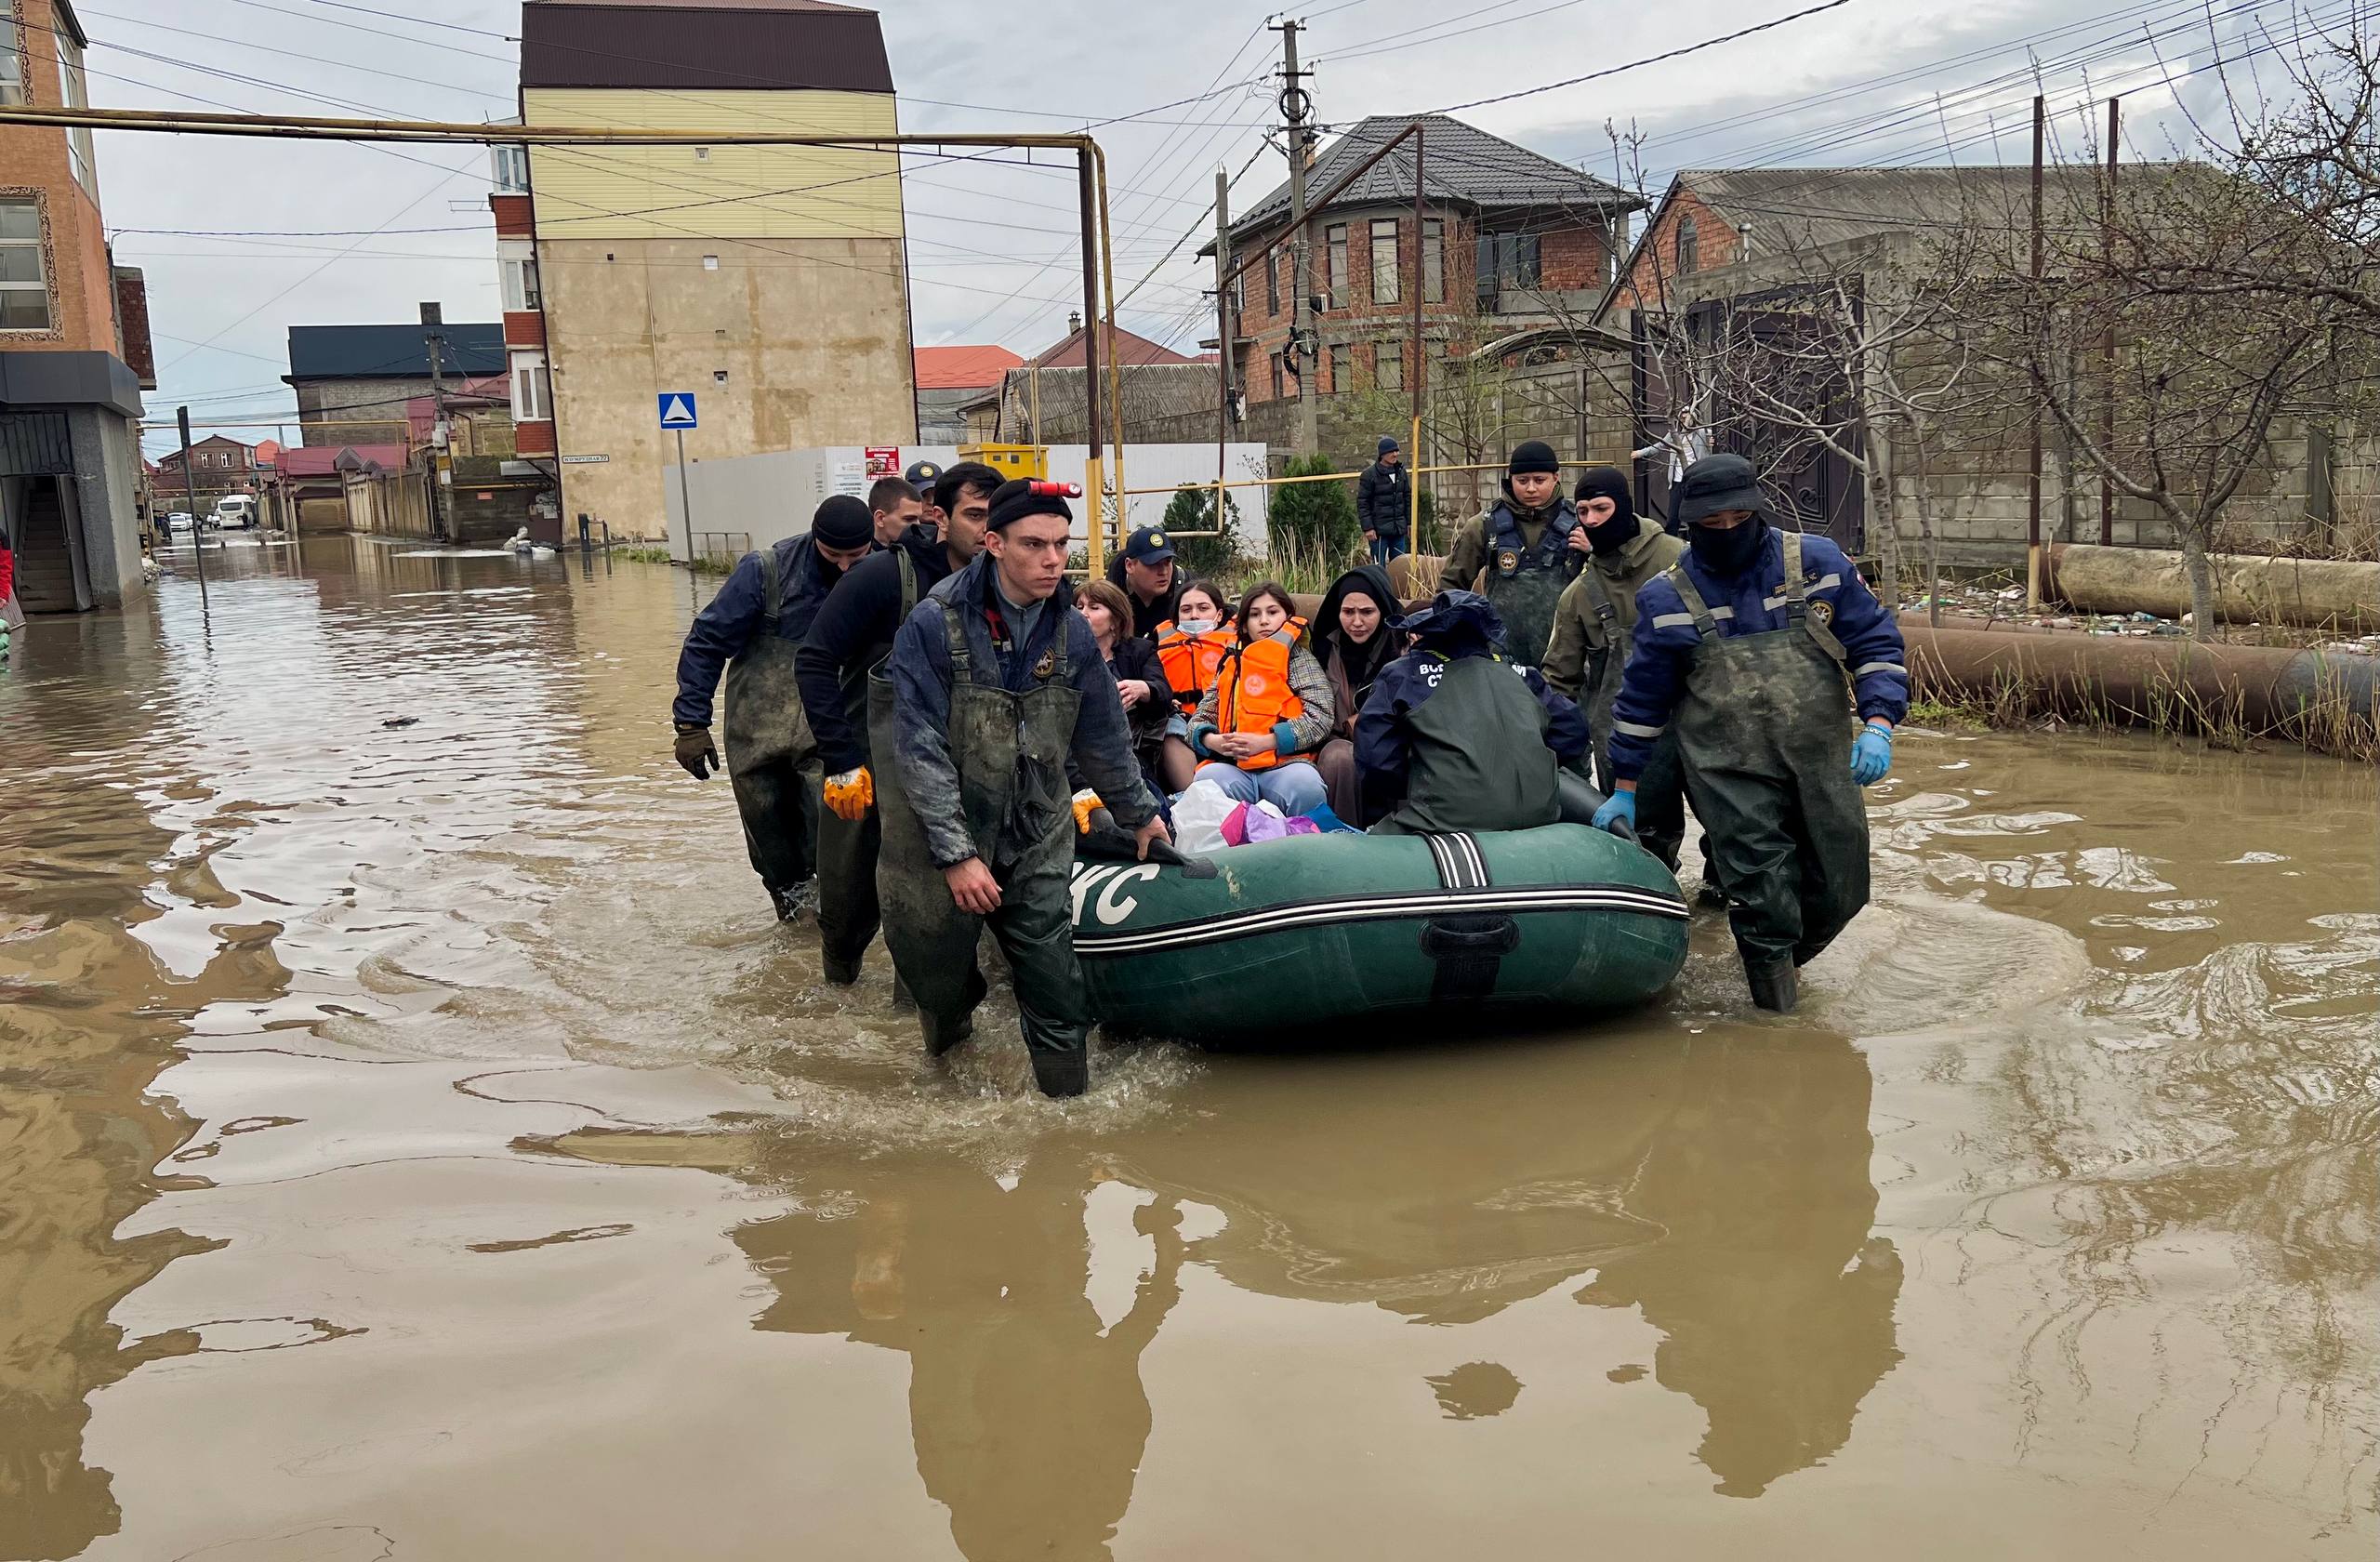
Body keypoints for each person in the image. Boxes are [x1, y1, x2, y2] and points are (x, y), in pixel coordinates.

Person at [878, 477, 1169, 1097]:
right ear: (994, 544)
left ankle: (1067, 1114)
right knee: (938, 980)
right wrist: (957, 854)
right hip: (943, 827)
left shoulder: (1071, 632)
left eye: (1062, 545)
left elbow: (1102, 736)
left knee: (1054, 979)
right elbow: (919, 749)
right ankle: (951, 1085)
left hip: (1037, 824)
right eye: (1035, 545)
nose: (1053, 560)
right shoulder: (934, 624)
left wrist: (1141, 814)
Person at [1593, 454, 1909, 1013]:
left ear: (1757, 511)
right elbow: (1643, 701)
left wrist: (1879, 724)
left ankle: (1779, 965)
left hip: (1818, 758)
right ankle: (1775, 1020)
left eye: (1738, 519)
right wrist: (1625, 787)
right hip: (1726, 771)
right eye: (1711, 523)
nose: (1727, 531)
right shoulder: (1666, 597)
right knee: (1761, 893)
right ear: (1690, 524)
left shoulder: (1818, 564)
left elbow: (1875, 644)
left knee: (1843, 887)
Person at [797, 461, 1000, 983]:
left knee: (933, 918)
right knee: (845, 907)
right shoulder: (883, 576)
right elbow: (814, 661)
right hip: (868, 767)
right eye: (975, 514)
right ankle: (839, 991)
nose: (986, 529)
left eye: (995, 516)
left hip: (952, 769)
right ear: (939, 517)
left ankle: (924, 1003)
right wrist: (841, 762)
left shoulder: (1006, 588)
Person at [671, 495, 877, 920]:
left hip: (833, 737)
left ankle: (839, 930)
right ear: (814, 538)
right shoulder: (765, 571)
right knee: (772, 845)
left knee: (839, 844)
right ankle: (792, 925)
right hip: (757, 739)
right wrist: (691, 723)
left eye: (856, 556)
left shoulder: (884, 572)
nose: (844, 567)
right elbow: (707, 643)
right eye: (832, 555)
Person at [1543, 466, 1694, 873]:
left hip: (1698, 722)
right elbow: (1559, 679)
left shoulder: (1681, 560)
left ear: (1624, 507)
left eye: (1601, 508)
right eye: (1583, 511)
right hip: (1621, 736)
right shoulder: (1579, 593)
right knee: (1641, 840)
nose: (1591, 520)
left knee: (1728, 827)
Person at [1355, 589, 1589, 836]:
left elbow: (1374, 757)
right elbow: (1573, 730)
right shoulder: (1521, 674)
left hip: (1445, 818)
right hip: (1539, 813)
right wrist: (1532, 764)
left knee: (1371, 844)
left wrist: (1420, 780)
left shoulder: (1404, 674)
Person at [1184, 582, 1333, 818]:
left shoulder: (1299, 660)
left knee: (1307, 786)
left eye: (1272, 612)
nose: (1264, 621)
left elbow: (1321, 717)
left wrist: (1267, 742)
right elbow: (1198, 719)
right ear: (1244, 624)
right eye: (1255, 615)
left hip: (1287, 766)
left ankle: (1306, 841)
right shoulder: (1231, 662)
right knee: (1206, 780)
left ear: (1287, 617)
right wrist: (1213, 741)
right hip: (1236, 768)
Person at [1442, 440, 1582, 668]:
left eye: (1539, 480)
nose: (1531, 488)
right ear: (1510, 479)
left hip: (1565, 655)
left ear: (1556, 478)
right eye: (1522, 481)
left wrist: (1593, 548)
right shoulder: (1484, 525)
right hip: (1500, 654)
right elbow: (1452, 585)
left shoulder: (1580, 524)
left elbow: (1606, 580)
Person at [1310, 563, 1405, 825]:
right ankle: (1343, 838)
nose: (1357, 622)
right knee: (1340, 757)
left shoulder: (1400, 649)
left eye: (1367, 612)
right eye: (1348, 612)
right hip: (1335, 740)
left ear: (1382, 610)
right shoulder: (1324, 648)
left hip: (1388, 740)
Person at [1074, 577, 1173, 801]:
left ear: (1116, 620)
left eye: (1094, 607)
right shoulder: (1066, 655)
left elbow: (1164, 692)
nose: (1083, 614)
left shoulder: (1139, 650)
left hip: (1129, 748)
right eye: (1079, 607)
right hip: (1078, 752)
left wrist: (1143, 689)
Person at [1151, 579, 1234, 794]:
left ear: (1219, 614)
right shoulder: (1157, 642)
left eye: (1203, 608)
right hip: (1180, 722)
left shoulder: (1240, 642)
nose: (1194, 616)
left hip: (1225, 723)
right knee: (1167, 729)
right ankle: (1193, 799)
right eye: (1186, 610)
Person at [1104, 524, 1183, 640]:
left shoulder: (1187, 590)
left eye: (1167, 561)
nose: (1164, 572)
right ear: (1129, 566)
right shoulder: (1105, 599)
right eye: (1153, 564)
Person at [1355, 435, 1410, 564]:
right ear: (1382, 454)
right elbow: (1363, 503)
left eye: (1396, 451)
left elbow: (1407, 498)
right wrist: (1368, 528)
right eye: (1391, 451)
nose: (1395, 454)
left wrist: (1409, 523)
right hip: (1378, 532)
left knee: (1399, 566)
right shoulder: (1369, 475)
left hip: (1398, 530)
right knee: (1378, 567)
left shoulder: (1401, 472)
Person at [868, 475, 924, 549]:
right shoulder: (859, 552)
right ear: (880, 518)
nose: (918, 525)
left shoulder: (922, 549)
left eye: (919, 519)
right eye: (909, 519)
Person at [904, 461, 945, 538]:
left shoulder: (955, 532)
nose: (931, 502)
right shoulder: (898, 535)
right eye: (923, 495)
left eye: (936, 495)